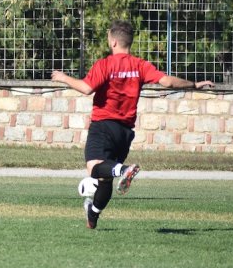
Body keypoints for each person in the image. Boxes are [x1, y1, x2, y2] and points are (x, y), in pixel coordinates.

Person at [51, 19, 213, 230]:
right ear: (129, 42)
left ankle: (124, 170)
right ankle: (93, 214)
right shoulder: (140, 65)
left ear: (113, 42)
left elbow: (86, 88)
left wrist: (64, 78)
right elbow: (167, 82)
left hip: (103, 125)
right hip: (125, 132)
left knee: (94, 168)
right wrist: (194, 85)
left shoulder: (105, 64)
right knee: (105, 178)